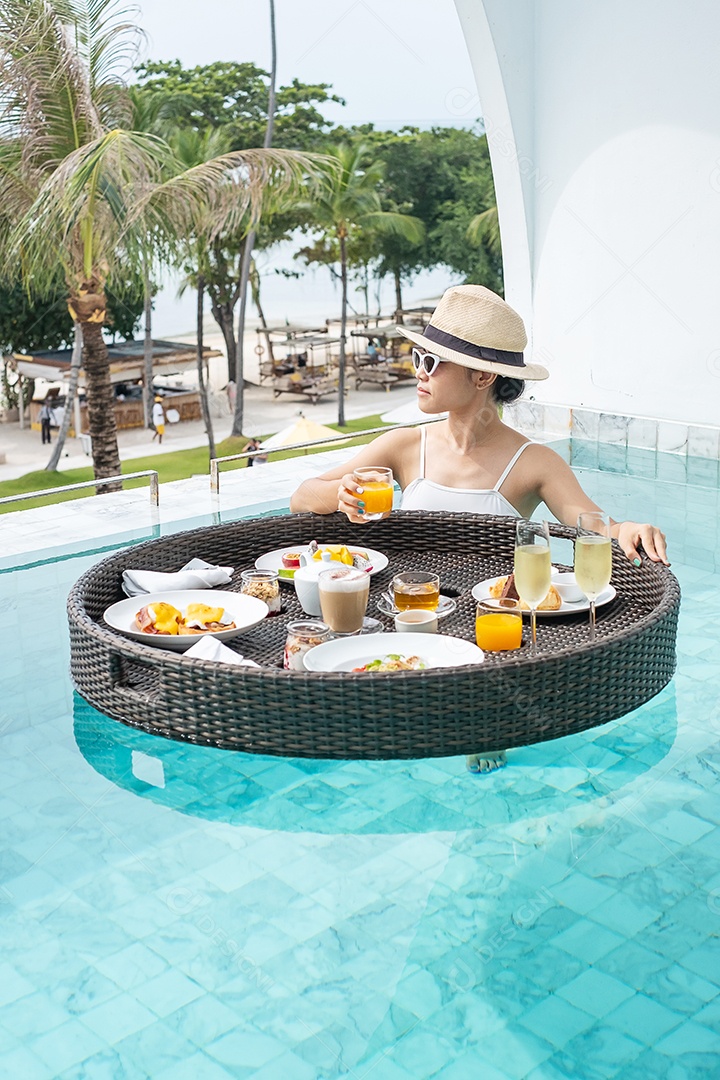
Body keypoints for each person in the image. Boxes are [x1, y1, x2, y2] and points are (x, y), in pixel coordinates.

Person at [290, 284, 669, 772]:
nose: (418, 373)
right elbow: (302, 496)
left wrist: (629, 528)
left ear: (483, 375)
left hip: (491, 629)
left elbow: (594, 527)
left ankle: (486, 719)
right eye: (419, 356)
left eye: (432, 362)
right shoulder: (406, 446)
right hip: (416, 612)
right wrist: (340, 497)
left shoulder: (533, 461)